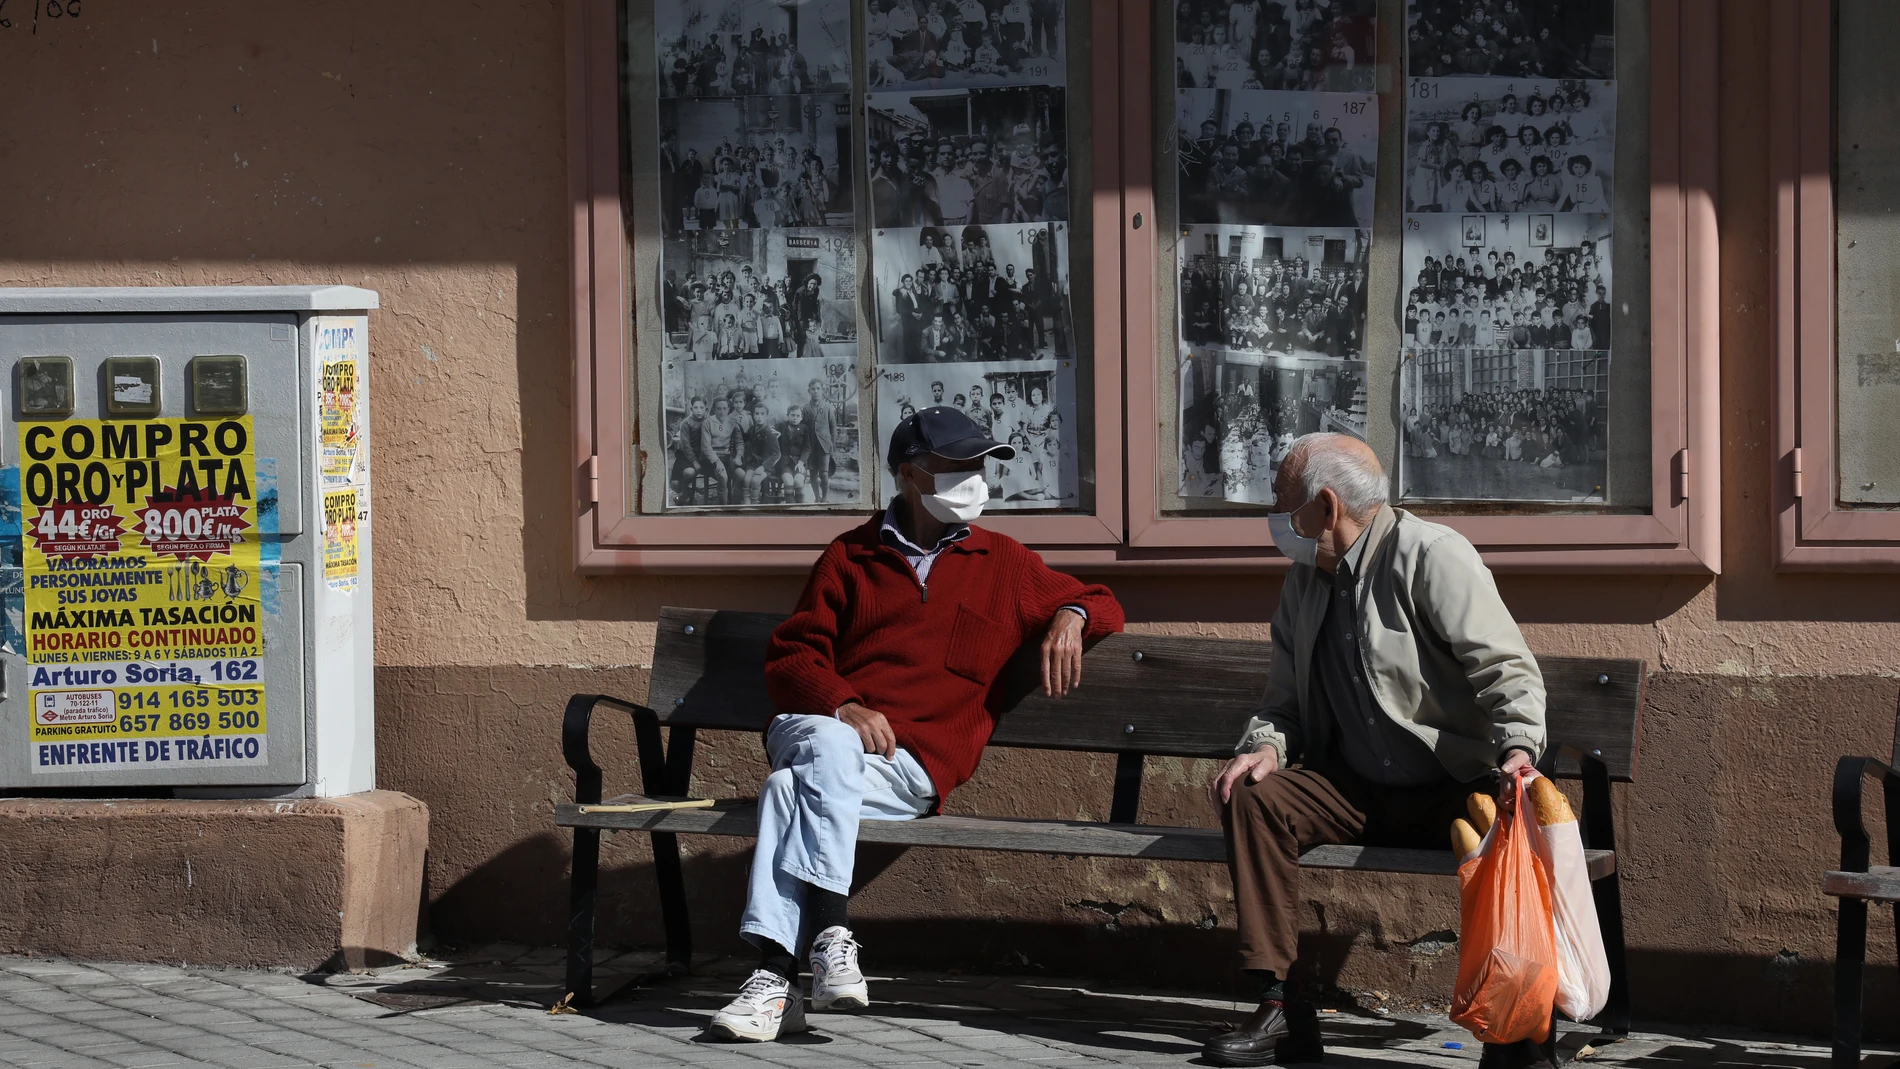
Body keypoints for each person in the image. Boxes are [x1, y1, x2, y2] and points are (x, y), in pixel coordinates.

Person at [706, 407, 1125, 1043]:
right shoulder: (850, 556)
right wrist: (843, 703)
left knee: (787, 792)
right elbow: (791, 654)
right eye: (958, 466)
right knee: (828, 741)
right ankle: (830, 935)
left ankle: (776, 977)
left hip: (909, 772)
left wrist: (1069, 614)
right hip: (823, 731)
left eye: (982, 465)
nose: (976, 478)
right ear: (911, 475)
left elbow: (1104, 602)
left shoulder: (1004, 562)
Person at [1202, 433, 1546, 1068]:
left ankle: (1518, 1030)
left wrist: (1517, 750)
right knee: (1251, 793)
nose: (1273, 517)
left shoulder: (1432, 555)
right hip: (1353, 786)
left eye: (1282, 501)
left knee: (1509, 823)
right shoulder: (1304, 582)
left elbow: (1507, 671)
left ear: (1325, 506)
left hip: (1447, 784)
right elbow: (1281, 704)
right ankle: (1282, 1005)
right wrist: (1266, 749)